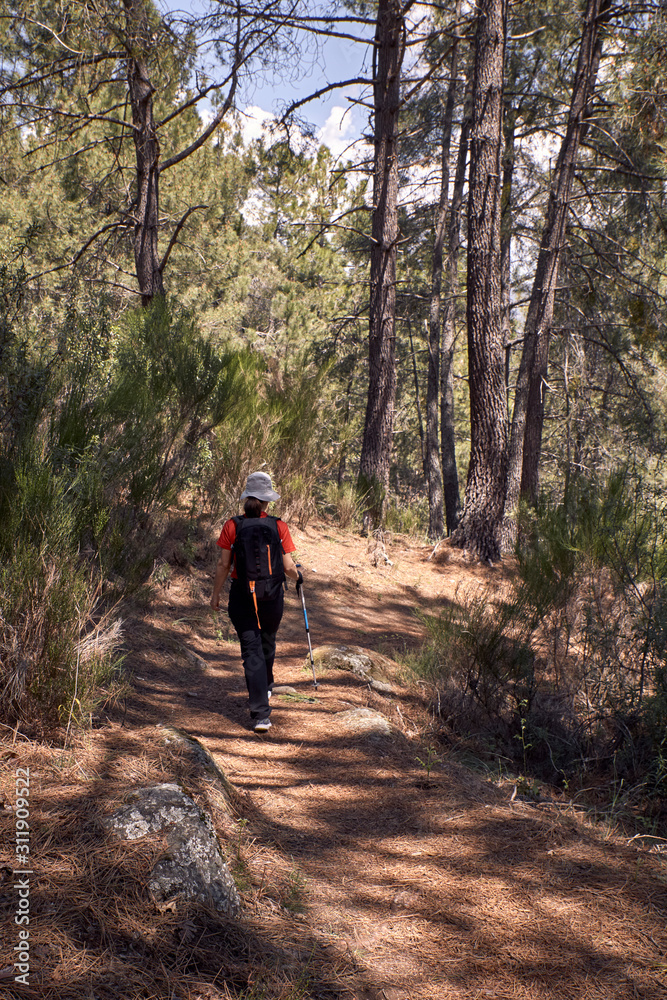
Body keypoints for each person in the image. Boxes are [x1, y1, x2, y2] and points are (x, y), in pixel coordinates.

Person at [210, 471, 302, 733]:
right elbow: (287, 567)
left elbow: (223, 564)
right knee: (267, 640)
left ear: (247, 498)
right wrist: (299, 575)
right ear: (267, 501)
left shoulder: (232, 525)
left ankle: (261, 714)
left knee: (252, 650)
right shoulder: (279, 526)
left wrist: (215, 594)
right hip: (272, 595)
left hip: (242, 595)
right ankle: (266, 685)